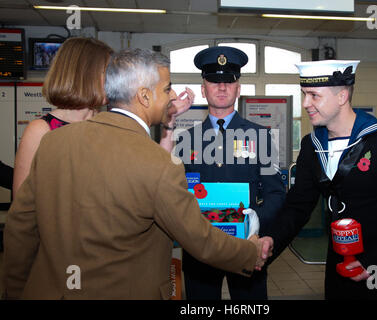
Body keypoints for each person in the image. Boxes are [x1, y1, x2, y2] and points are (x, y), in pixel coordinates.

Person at [2, 48, 273, 300]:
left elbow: (20, 229)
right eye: (166, 89)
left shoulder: (53, 142)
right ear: (145, 96)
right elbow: (199, 239)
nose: (171, 96)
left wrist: (15, 292)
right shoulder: (158, 163)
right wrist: (251, 252)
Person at [267, 60, 377, 299]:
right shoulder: (312, 146)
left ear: (342, 96)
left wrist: (376, 259)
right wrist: (271, 241)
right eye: (304, 95)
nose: (305, 104)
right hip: (337, 263)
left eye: (314, 96)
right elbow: (298, 206)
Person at [12, 37, 193, 198]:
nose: (115, 80)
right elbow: (23, 203)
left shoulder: (112, 122)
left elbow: (154, 170)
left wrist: (170, 121)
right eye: (108, 73)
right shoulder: (41, 130)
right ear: (84, 76)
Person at [175, 46, 286, 300]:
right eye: (214, 80)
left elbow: (276, 193)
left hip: (247, 243)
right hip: (200, 245)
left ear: (238, 88)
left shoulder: (261, 137)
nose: (222, 86)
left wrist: (257, 225)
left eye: (229, 80)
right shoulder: (185, 141)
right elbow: (175, 194)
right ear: (204, 88)